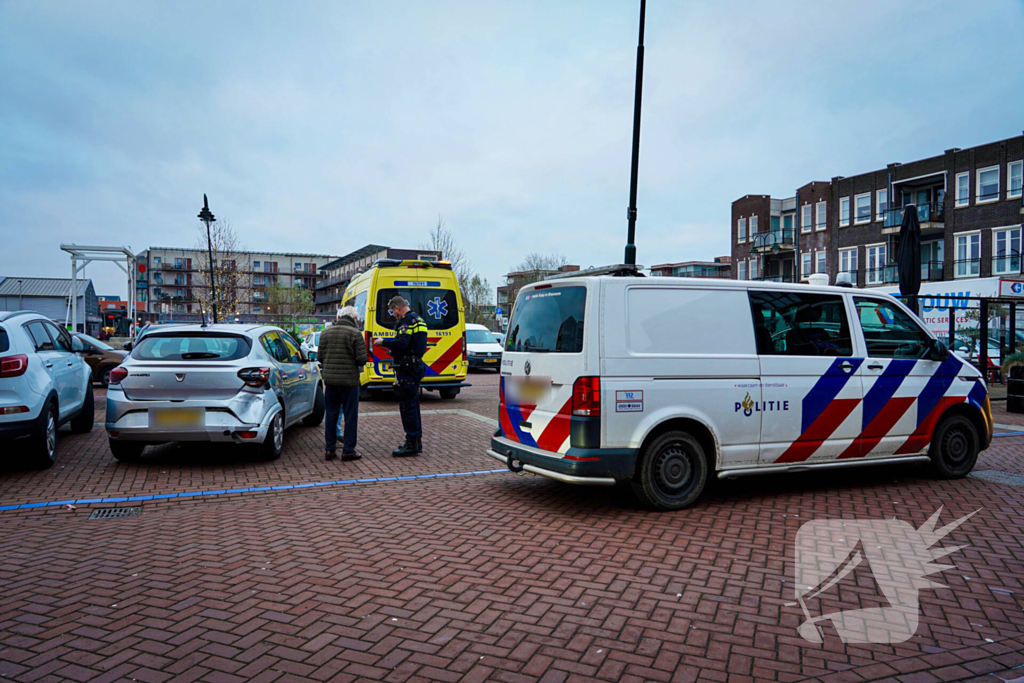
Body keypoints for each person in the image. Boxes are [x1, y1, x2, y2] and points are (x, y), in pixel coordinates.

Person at [374, 295, 428, 456]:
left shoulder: (406, 322)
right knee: (413, 404)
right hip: (416, 365)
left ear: (397, 308)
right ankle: (416, 440)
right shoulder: (419, 320)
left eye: (393, 311)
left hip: (408, 369)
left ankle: (411, 443)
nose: (394, 315)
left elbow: (403, 343)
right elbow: (411, 345)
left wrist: (383, 342)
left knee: (407, 407)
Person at [317, 307, 367, 461]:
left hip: (331, 381)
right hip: (349, 382)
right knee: (350, 416)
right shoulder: (355, 334)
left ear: (340, 317)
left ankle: (329, 449)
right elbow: (362, 360)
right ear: (354, 319)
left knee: (331, 415)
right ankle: (348, 450)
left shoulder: (325, 333)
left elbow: (320, 357)